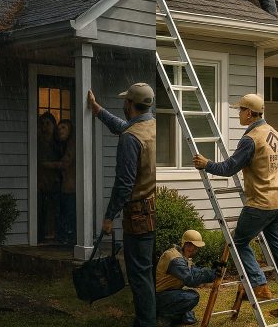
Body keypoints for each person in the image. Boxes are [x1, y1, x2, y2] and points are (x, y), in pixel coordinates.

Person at [192, 93, 278, 321]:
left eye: (240, 110)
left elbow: (229, 168)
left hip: (260, 203)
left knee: (238, 242)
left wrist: (206, 164)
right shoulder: (275, 133)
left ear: (249, 113)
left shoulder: (251, 139)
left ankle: (260, 284)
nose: (238, 114)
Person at [88, 83, 157, 327]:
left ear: (129, 104)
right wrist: (98, 110)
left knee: (139, 274)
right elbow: (123, 127)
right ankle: (148, 318)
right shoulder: (151, 127)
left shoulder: (131, 137)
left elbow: (124, 184)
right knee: (146, 270)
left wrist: (109, 217)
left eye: (125, 101)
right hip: (153, 210)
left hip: (138, 215)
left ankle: (146, 322)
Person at [155, 230, 218, 326]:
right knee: (191, 297)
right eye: (190, 245)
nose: (194, 249)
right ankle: (163, 316)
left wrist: (212, 270)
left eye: (196, 247)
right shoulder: (175, 259)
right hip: (159, 297)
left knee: (190, 296)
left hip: (168, 293)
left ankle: (178, 316)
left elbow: (195, 271)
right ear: (184, 244)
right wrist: (212, 274)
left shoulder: (181, 256)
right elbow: (191, 279)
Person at [42, 119, 76, 245]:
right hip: (62, 186)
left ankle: (69, 238)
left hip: (70, 187)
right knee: (61, 213)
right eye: (59, 128)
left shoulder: (72, 144)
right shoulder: (60, 145)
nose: (60, 130)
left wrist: (45, 165)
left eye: (63, 128)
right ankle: (63, 238)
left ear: (70, 131)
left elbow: (65, 164)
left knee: (68, 213)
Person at [37, 111, 61, 243]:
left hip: (56, 180)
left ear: (53, 125)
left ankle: (57, 235)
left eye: (48, 123)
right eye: (42, 124)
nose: (45, 127)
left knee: (56, 210)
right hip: (41, 181)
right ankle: (41, 235)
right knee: (42, 210)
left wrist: (50, 165)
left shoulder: (58, 143)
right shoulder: (38, 143)